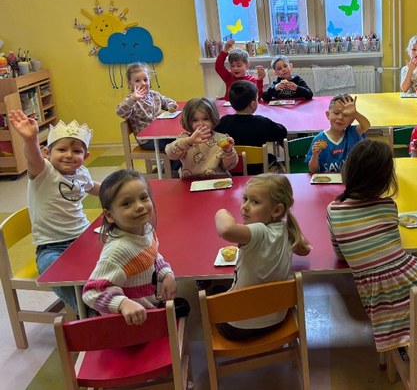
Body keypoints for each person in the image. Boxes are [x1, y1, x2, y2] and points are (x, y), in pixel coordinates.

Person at [327, 140, 417, 363]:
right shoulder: (388, 205)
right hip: (416, 278)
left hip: (379, 294)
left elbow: (341, 255)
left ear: (348, 171)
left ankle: (405, 345)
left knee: (398, 310)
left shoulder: (333, 210)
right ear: (386, 178)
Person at [8, 111, 100, 312]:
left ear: (86, 156)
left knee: (117, 254)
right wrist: (30, 140)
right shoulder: (44, 172)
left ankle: (118, 297)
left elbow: (93, 187)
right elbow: (32, 159)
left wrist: (118, 193)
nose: (69, 155)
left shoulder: (82, 172)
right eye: (62, 149)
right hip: (51, 247)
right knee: (55, 272)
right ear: (47, 153)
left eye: (77, 151)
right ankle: (89, 313)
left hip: (83, 237)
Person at [82, 169, 188, 324]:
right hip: (130, 323)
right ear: (109, 215)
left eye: (144, 198)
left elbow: (152, 257)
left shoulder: (146, 229)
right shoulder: (118, 251)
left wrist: (166, 274)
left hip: (149, 310)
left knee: (185, 306)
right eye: (126, 203)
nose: (139, 206)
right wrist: (123, 304)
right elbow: (91, 292)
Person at [213, 174, 311, 339]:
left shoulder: (258, 231)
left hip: (238, 328)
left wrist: (220, 212)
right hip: (277, 320)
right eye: (245, 199)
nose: (245, 206)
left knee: (214, 291)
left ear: (277, 210)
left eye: (255, 202)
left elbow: (226, 230)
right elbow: (305, 249)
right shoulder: (287, 230)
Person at [216, 80, 287, 174]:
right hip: (258, 170)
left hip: (232, 169)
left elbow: (215, 136)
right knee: (272, 158)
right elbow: (282, 132)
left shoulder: (224, 121)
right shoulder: (262, 122)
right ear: (253, 104)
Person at [164, 97, 238, 178]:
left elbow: (230, 166)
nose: (201, 124)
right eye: (195, 120)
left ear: (213, 119)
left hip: (217, 181)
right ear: (188, 122)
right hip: (191, 182)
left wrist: (228, 152)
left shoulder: (221, 139)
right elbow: (170, 154)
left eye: (206, 119)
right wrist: (189, 141)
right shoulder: (185, 139)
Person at [115, 62, 178, 151]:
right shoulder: (131, 100)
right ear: (129, 83)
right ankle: (170, 161)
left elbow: (166, 101)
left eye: (145, 80)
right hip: (147, 141)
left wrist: (170, 105)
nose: (143, 83)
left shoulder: (154, 95)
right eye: (137, 81)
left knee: (183, 139)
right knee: (180, 145)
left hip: (160, 134)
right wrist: (133, 99)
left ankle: (172, 160)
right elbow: (120, 112)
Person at [306, 94, 371, 173]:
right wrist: (315, 155)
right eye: (336, 113)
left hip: (349, 179)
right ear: (328, 115)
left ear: (351, 120)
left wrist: (355, 113)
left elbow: (366, 125)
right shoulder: (319, 139)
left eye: (346, 115)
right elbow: (313, 170)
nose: (340, 117)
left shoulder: (352, 133)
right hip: (327, 179)